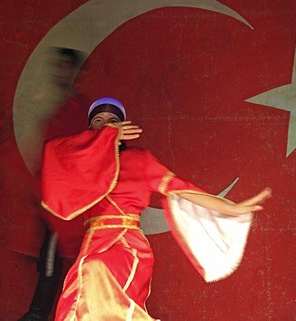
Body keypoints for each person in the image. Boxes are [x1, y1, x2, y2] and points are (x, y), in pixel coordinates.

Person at [40, 97, 273, 320]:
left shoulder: (140, 160)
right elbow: (55, 152)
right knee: (77, 304)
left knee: (95, 273)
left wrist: (232, 208)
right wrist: (101, 140)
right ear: (89, 131)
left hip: (126, 246)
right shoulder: (81, 170)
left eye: (113, 121)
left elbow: (185, 190)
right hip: (91, 246)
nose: (106, 126)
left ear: (124, 127)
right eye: (98, 122)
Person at [18, 48, 89, 321]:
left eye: (66, 67)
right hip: (51, 195)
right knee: (50, 256)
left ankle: (39, 314)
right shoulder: (53, 104)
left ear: (74, 72)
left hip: (69, 200)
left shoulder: (80, 108)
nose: (61, 72)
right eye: (58, 66)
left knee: (57, 256)